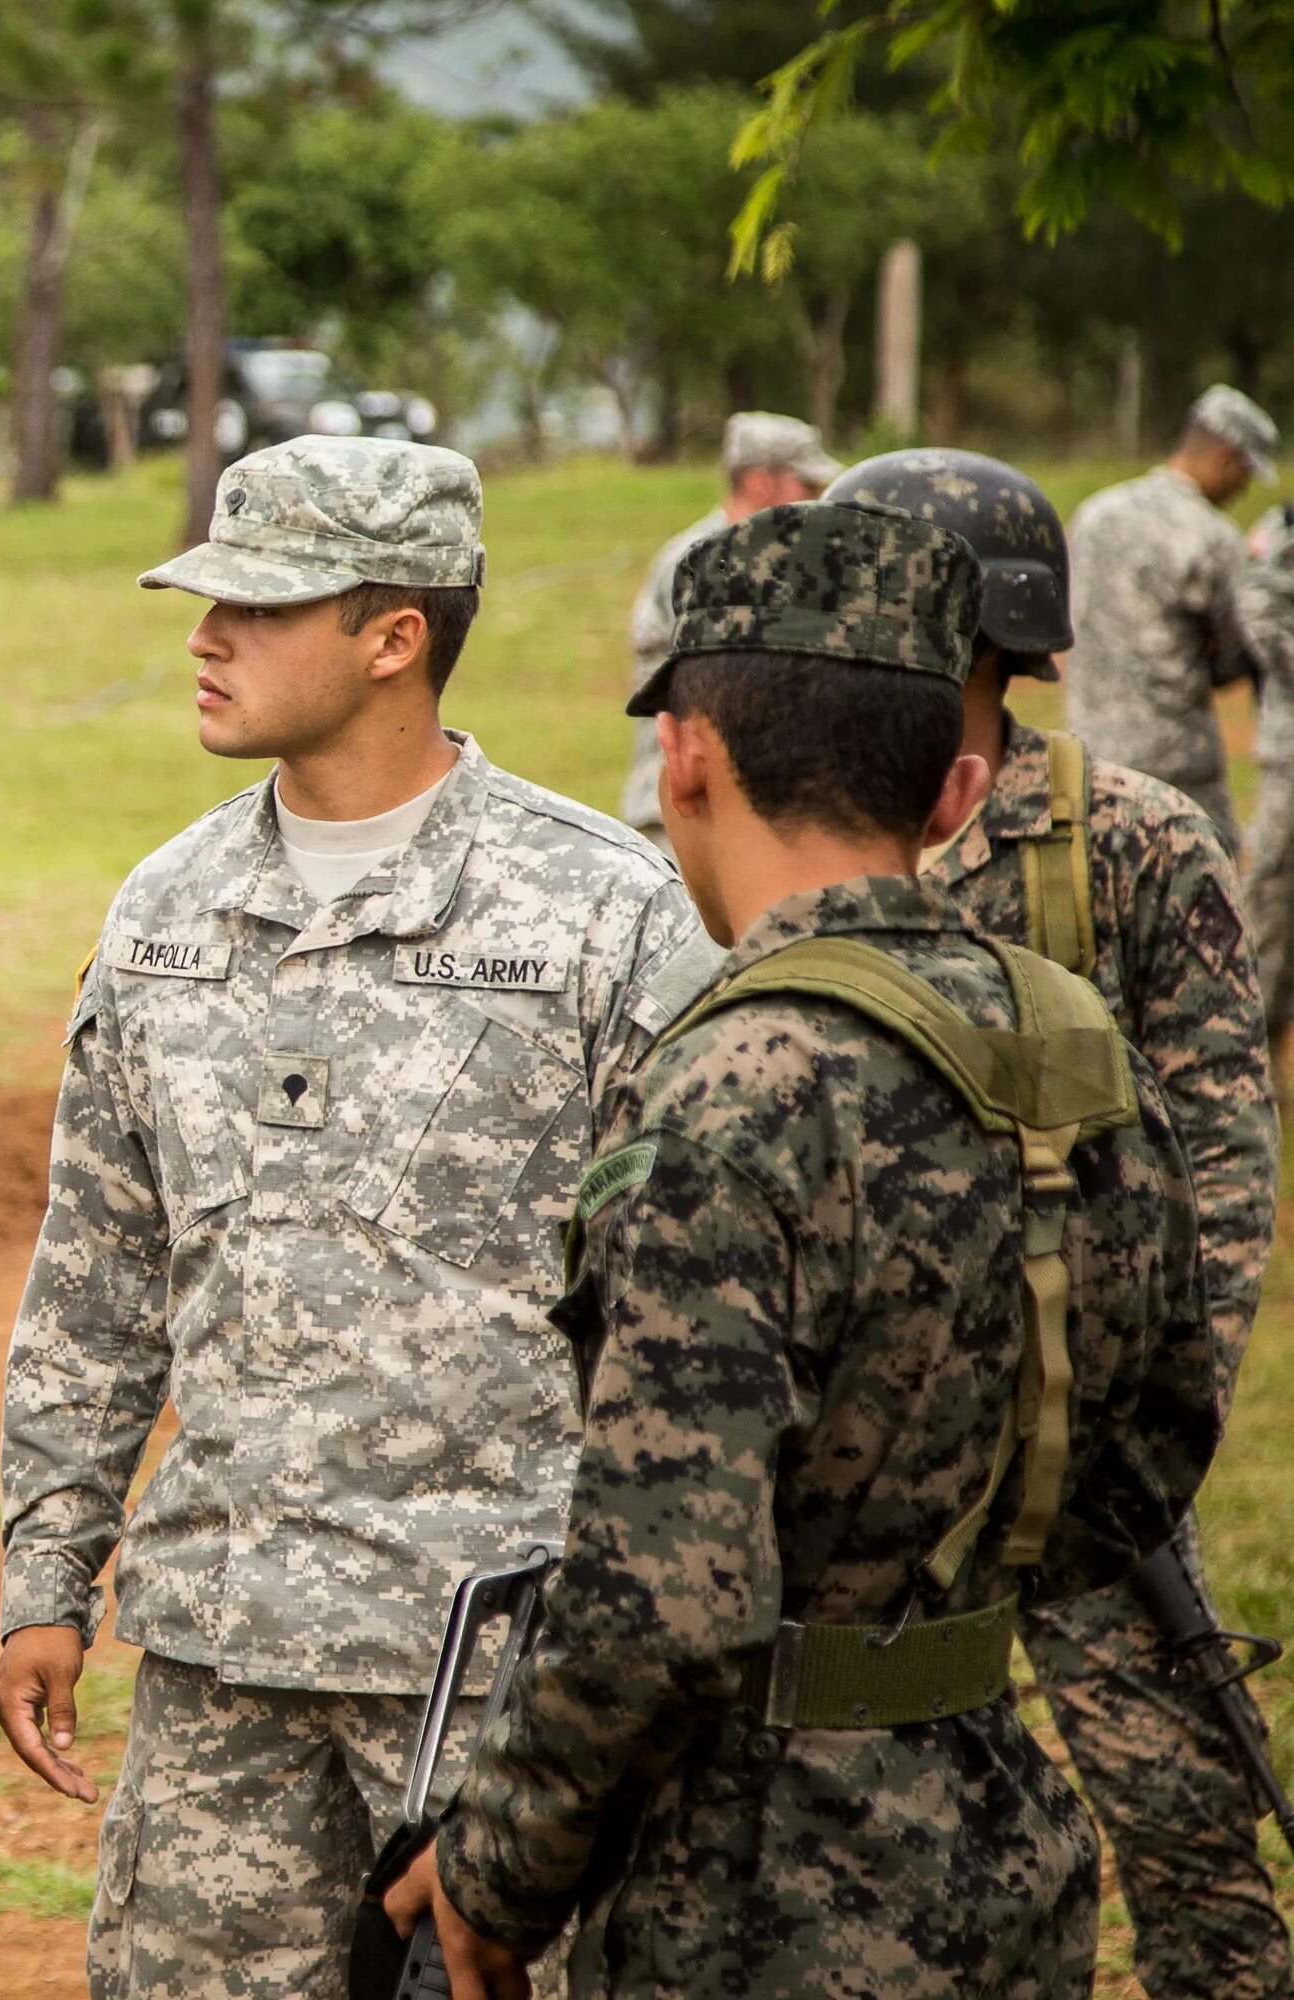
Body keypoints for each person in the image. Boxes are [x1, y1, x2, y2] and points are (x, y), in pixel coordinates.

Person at [384, 501, 1223, 2000]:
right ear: (953, 780)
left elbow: (665, 1597)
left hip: (759, 1883)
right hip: (1003, 1830)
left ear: (688, 755)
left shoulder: (732, 1086)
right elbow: (1154, 1450)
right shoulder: (1073, 1043)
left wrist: (501, 1866)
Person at [0, 433, 715, 1997]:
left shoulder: (603, 912)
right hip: (217, 1662)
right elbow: (99, 1277)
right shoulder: (165, 909)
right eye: (208, 601)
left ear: (395, 638)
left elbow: (684, 1325)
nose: (205, 637)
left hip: (487, 1674)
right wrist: (47, 1578)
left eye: (259, 608)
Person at [829, 448, 1288, 2000]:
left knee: (1187, 1830)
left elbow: (1222, 1161)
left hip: (1088, 1457)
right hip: (865, 1467)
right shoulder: (796, 831)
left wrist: (1157, 1423)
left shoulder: (1133, 844)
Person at [1064, 383, 1281, 849]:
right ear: (1227, 457)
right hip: (1178, 769)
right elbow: (1232, 658)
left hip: (1087, 755)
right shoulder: (1213, 536)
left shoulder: (1093, 515)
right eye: (1245, 473)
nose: (1242, 488)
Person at [618, 411, 843, 841]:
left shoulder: (761, 557)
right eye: (807, 484)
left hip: (729, 814)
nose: (819, 498)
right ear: (761, 481)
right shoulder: (709, 561)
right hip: (683, 818)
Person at [1235, 500, 1294, 1035]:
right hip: (1290, 753)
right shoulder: (1284, 526)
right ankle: (1252, 1029)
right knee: (1275, 886)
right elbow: (1258, 603)